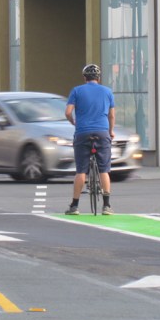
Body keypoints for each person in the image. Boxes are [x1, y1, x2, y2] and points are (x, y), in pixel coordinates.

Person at [64, 63, 115, 215]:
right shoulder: (107, 92)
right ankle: (106, 206)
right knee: (104, 170)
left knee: (81, 171)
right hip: (102, 132)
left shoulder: (76, 91)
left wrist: (73, 122)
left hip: (82, 133)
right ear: (98, 78)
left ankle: (74, 206)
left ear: (84, 77)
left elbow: (67, 112)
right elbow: (111, 115)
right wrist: (111, 132)